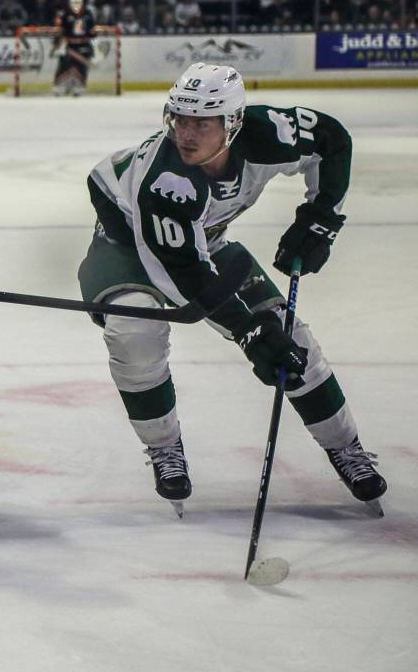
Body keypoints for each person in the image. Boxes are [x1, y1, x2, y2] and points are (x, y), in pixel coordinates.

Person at [77, 62, 387, 516]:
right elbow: (185, 277)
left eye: (201, 122)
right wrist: (248, 330)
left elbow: (332, 140)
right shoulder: (167, 182)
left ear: (233, 123)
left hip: (205, 240)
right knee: (134, 333)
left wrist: (322, 219)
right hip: (123, 248)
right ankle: (165, 448)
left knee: (291, 339)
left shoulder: (269, 133)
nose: (186, 133)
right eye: (180, 119)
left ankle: (346, 448)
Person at [52, 0, 96, 97]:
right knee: (64, 64)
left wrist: (93, 44)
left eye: (78, 2)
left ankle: (79, 86)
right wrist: (58, 43)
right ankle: (61, 85)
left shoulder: (88, 14)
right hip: (69, 46)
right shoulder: (65, 14)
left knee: (81, 66)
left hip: (84, 45)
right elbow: (60, 32)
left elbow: (92, 32)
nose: (76, 5)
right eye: (73, 2)